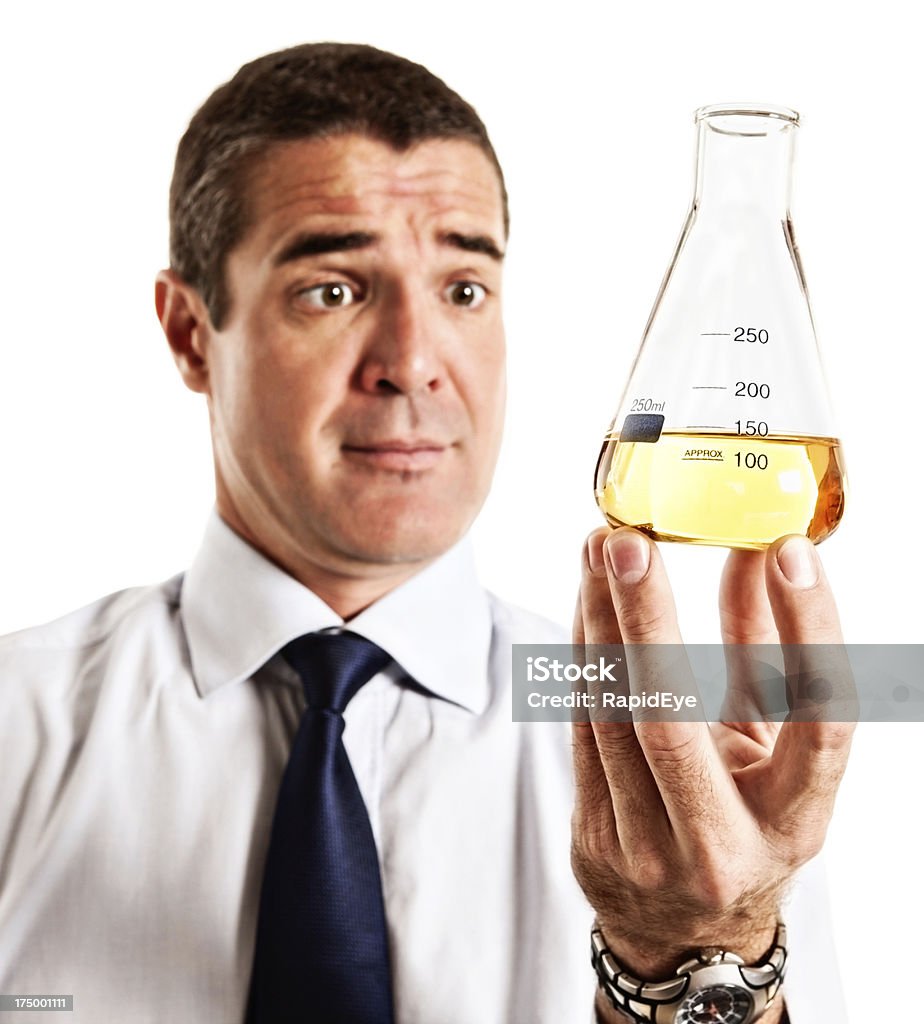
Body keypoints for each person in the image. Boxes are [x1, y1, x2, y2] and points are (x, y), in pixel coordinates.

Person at [0, 43, 851, 1023]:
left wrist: (694, 947)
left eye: (462, 290)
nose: (413, 361)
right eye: (333, 288)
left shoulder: (692, 778)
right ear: (192, 331)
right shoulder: (17, 731)